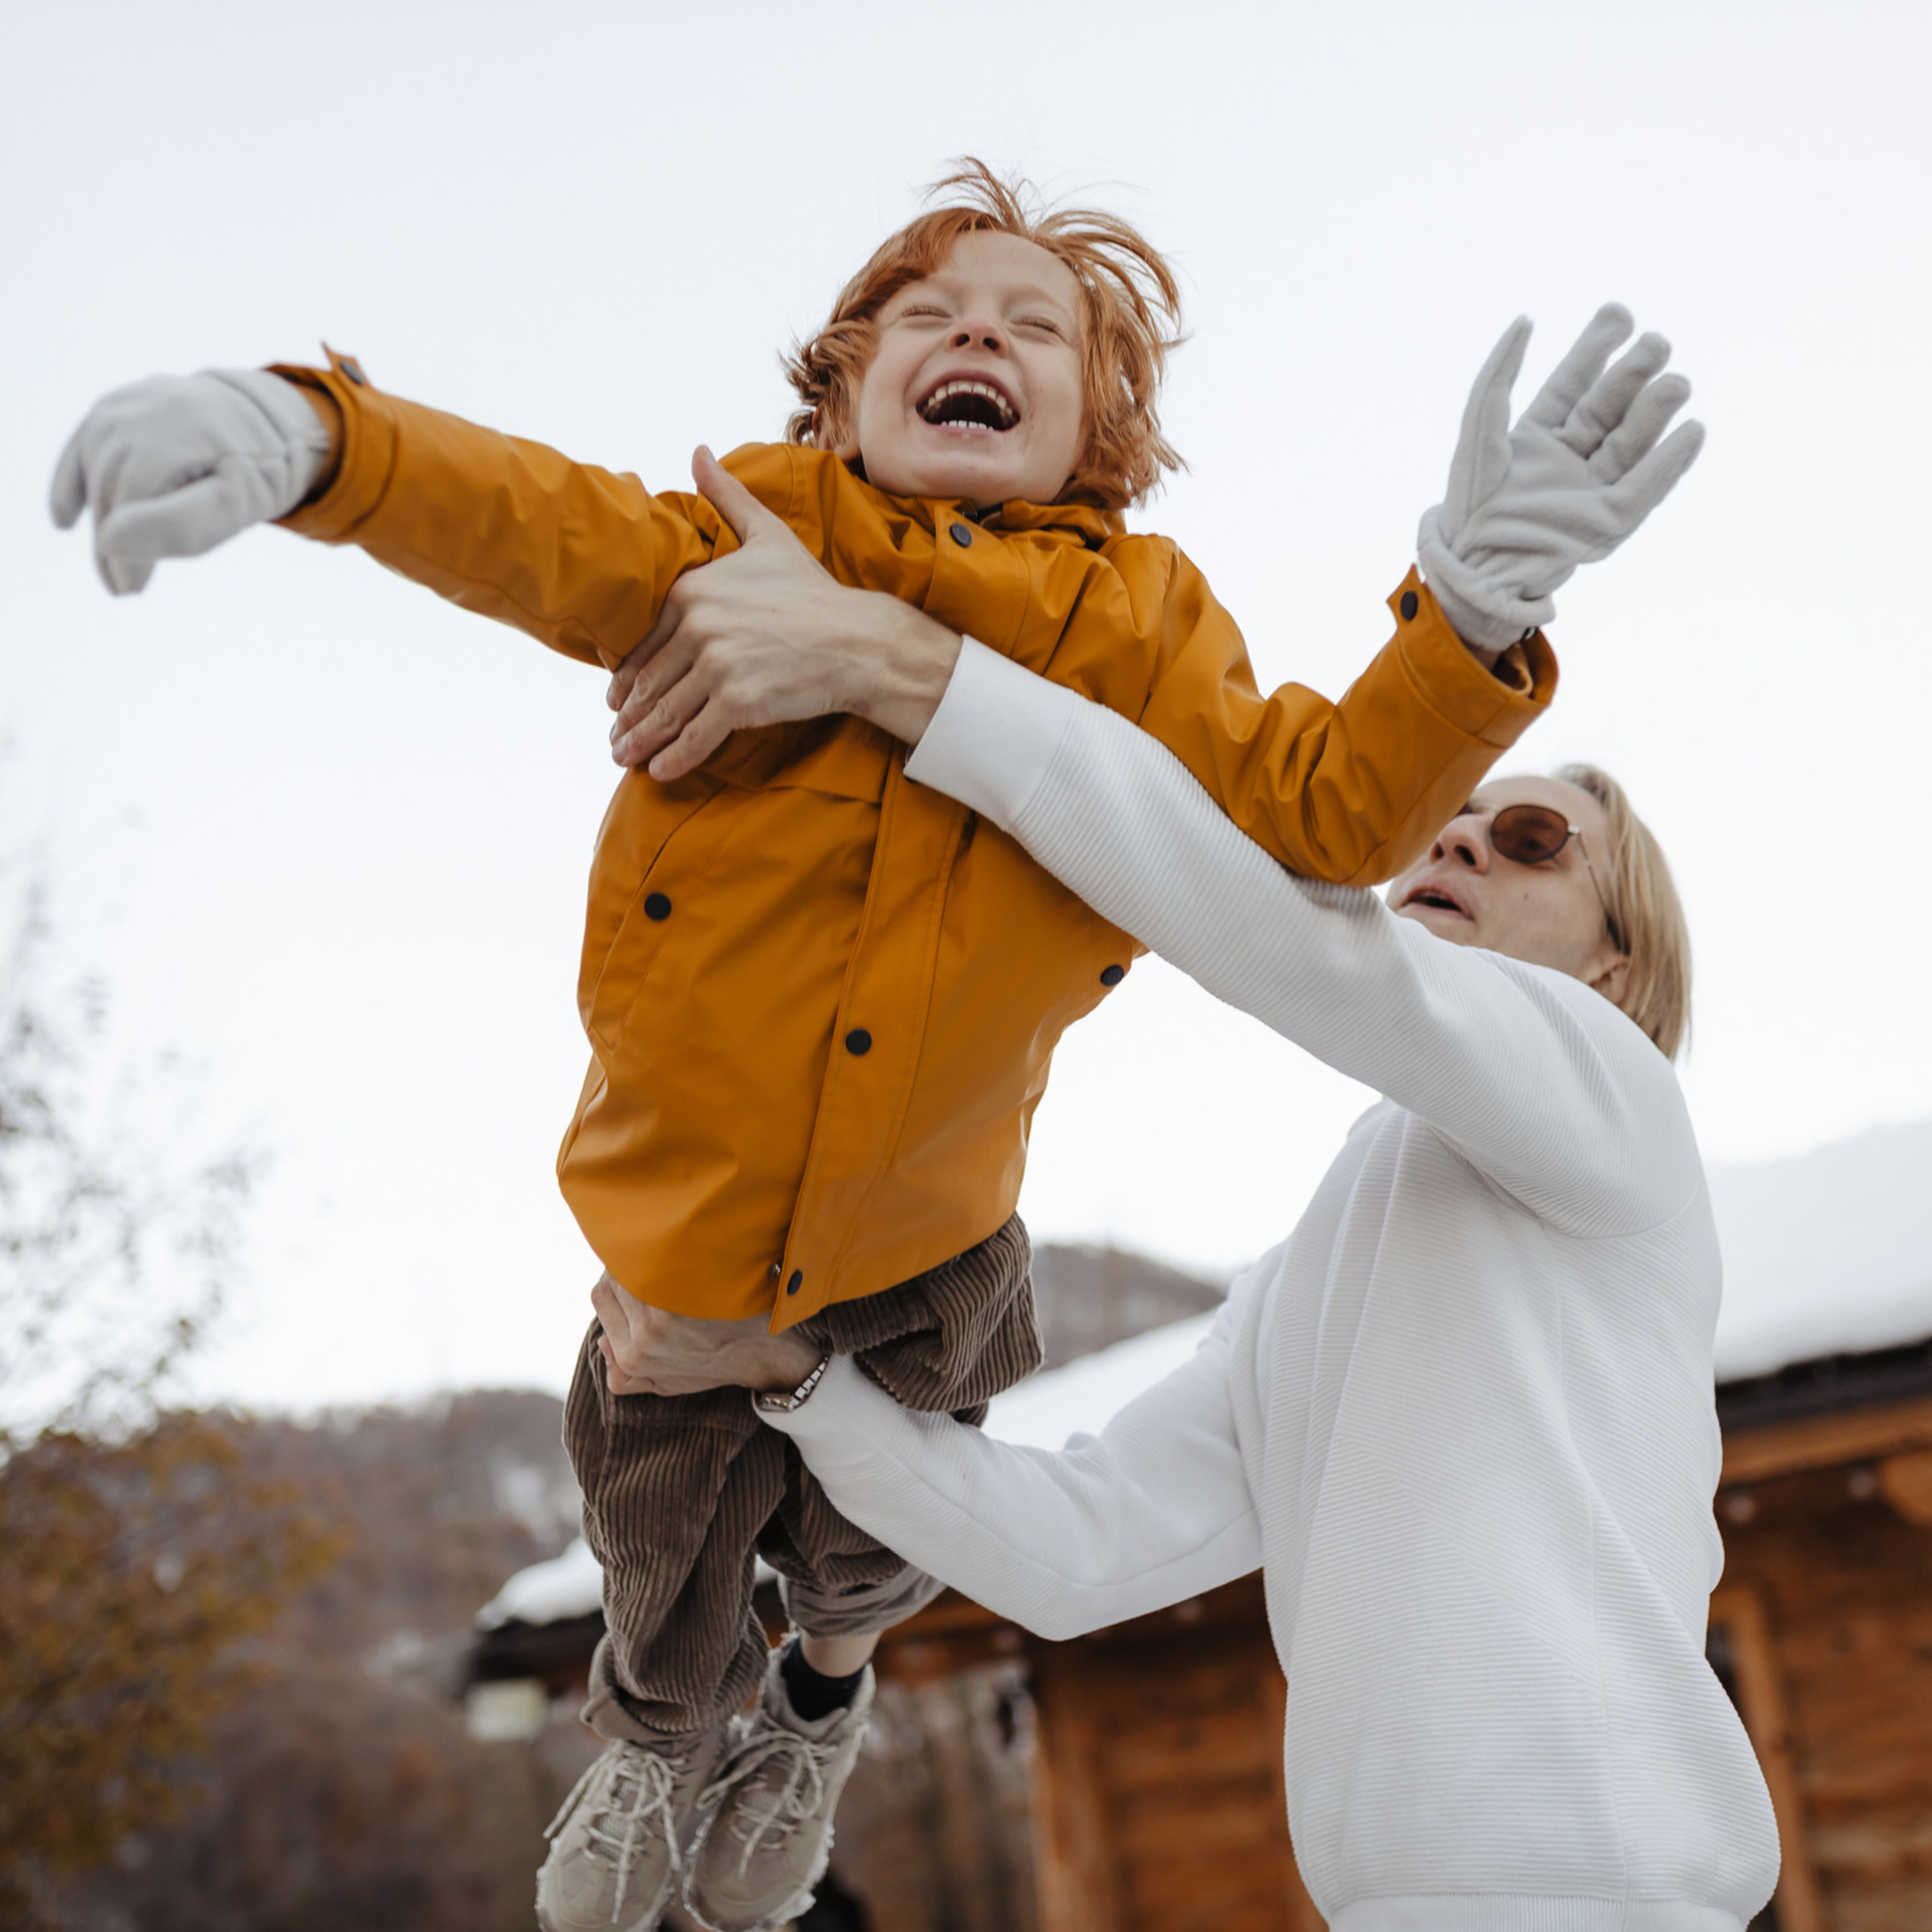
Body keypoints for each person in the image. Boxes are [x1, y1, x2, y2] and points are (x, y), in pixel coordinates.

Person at [50, 161, 1703, 1932]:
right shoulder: (1339, 1258)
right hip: (702, 1240)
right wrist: (318, 440)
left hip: (1589, 1884)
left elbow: (1303, 864)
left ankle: (813, 1686)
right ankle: (690, 1731)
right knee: (665, 1521)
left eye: (1531, 844)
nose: (975, 330)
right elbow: (538, 519)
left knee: (851, 1530)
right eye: (926, 315)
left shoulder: (1587, 1085)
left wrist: (1454, 634)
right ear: (839, 390)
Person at [594, 488, 1781, 1928]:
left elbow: (1281, 931)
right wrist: (790, 1381)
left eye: (1533, 839)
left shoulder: (1616, 1102)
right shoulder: (1312, 1282)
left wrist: (894, 669)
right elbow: (1077, 1546)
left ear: (1615, 971)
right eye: (1447, 823)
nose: (1457, 843)